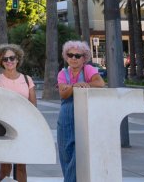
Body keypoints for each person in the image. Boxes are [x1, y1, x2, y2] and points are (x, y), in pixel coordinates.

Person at [57, 40, 104, 182]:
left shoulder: (88, 69)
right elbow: (63, 94)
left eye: (77, 56)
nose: (73, 58)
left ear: (84, 58)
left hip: (84, 115)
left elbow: (100, 83)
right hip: (66, 116)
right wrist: (75, 86)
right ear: (66, 57)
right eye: (70, 55)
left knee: (79, 153)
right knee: (66, 154)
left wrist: (85, 84)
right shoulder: (63, 73)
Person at [0, 44, 36, 182]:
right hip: (2, 125)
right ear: (1, 62)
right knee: (5, 166)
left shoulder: (27, 80)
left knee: (21, 165)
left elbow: (33, 106)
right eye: (5, 59)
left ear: (17, 59)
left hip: (23, 125)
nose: (9, 61)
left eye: (12, 58)